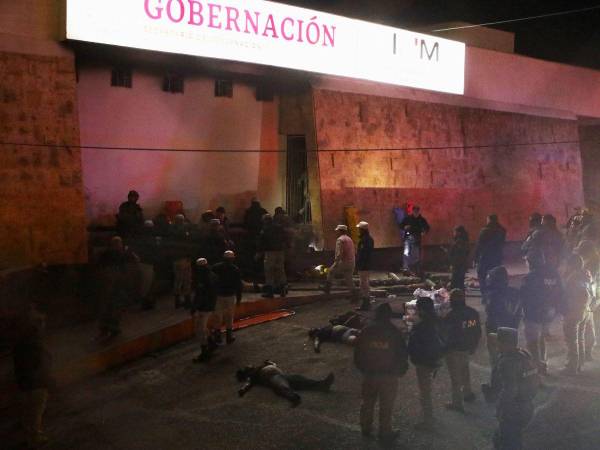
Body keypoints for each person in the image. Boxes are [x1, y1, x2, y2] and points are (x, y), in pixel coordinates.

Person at [354, 303, 409, 443]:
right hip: (389, 376)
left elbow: (358, 353)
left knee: (367, 402)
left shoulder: (366, 331)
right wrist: (401, 370)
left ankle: (365, 427)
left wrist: (363, 368)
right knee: (386, 405)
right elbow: (402, 354)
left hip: (370, 374)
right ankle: (385, 432)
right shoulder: (394, 332)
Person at [481, 328, 539, 450]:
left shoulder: (507, 362)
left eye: (498, 341)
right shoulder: (524, 355)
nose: (496, 343)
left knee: (510, 442)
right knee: (500, 438)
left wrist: (500, 409)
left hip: (513, 411)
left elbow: (510, 391)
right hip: (527, 406)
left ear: (505, 343)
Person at [13, 303, 52, 448]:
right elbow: (40, 364)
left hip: (24, 383)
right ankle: (34, 439)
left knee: (28, 413)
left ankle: (30, 435)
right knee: (35, 413)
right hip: (35, 384)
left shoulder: (20, 341)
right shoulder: (34, 342)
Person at [519, 254, 564, 375]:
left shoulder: (530, 277)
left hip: (533, 314)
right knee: (542, 338)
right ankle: (543, 363)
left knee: (532, 341)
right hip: (549, 313)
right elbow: (560, 291)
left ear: (531, 262)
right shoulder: (553, 273)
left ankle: (536, 366)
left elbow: (524, 297)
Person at [408, 297, 444, 431]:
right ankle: (428, 418)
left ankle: (428, 420)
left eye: (417, 308)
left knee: (425, 392)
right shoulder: (438, 321)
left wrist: (414, 357)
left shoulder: (422, 326)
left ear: (422, 309)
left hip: (424, 362)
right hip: (435, 359)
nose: (416, 311)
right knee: (426, 390)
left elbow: (415, 345)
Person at [443, 289, 481, 412]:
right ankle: (468, 393)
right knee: (465, 371)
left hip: (453, 350)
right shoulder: (472, 313)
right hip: (466, 348)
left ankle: (457, 403)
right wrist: (473, 346)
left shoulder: (451, 315)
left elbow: (447, 334)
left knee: (455, 378)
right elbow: (476, 331)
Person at [96, 236, 140, 340]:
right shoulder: (123, 254)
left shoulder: (105, 253)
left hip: (108, 284)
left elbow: (99, 266)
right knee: (116, 306)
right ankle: (113, 327)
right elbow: (136, 260)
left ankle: (104, 328)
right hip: (118, 284)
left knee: (107, 306)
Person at [237, 361, 334, 406]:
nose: (249, 365)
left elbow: (274, 364)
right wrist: (243, 389)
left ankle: (322, 385)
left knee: (300, 379)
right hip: (273, 377)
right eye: (247, 367)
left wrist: (270, 362)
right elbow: (248, 383)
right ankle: (293, 397)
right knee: (282, 386)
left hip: (282, 375)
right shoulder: (253, 375)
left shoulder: (262, 366)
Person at [560, 254, 592, 375]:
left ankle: (572, 366)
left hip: (574, 312)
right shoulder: (586, 274)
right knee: (580, 337)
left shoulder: (573, 278)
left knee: (572, 340)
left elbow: (568, 295)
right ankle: (580, 362)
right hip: (585, 310)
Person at [485, 266, 522, 366]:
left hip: (497, 332)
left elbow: (492, 314)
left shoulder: (493, 296)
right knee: (510, 358)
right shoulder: (515, 293)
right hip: (512, 330)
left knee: (496, 359)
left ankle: (497, 380)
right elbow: (518, 314)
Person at [190, 258, 219, 363]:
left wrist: (194, 307)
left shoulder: (203, 278)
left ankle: (205, 352)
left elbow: (201, 295)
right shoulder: (212, 275)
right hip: (210, 305)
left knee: (199, 329)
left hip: (204, 307)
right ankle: (212, 342)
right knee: (203, 326)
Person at [212, 250, 243, 345]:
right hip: (230, 295)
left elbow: (212, 282)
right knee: (229, 316)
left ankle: (217, 336)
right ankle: (229, 335)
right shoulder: (235, 269)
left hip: (218, 295)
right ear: (232, 258)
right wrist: (239, 298)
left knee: (218, 315)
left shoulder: (215, 267)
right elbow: (238, 285)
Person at [475, 214, 506, 299]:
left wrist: (475, 257)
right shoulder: (502, 230)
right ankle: (496, 295)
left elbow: (479, 245)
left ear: (489, 220)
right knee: (496, 276)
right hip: (497, 257)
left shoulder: (484, 231)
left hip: (485, 257)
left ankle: (485, 296)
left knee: (482, 276)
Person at [257, 214, 288, 298]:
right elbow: (285, 238)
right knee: (280, 270)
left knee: (269, 271)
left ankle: (270, 291)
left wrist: (259, 252)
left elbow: (262, 241)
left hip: (270, 252)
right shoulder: (279, 228)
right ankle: (282, 289)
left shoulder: (265, 229)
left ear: (265, 221)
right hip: (280, 251)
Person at [324, 225, 356, 299]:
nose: (336, 232)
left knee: (330, 272)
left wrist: (336, 263)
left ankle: (327, 290)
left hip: (343, 262)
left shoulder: (340, 240)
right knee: (349, 279)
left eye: (337, 231)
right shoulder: (349, 239)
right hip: (351, 262)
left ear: (340, 231)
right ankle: (355, 295)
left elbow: (339, 253)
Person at [169, 214, 194, 309]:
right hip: (184, 258)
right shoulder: (183, 231)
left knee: (178, 280)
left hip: (176, 259)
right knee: (186, 279)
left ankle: (177, 300)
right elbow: (188, 245)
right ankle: (187, 300)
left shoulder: (171, 231)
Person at [400, 206, 430, 276]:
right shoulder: (408, 218)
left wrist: (424, 232)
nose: (416, 213)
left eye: (417, 211)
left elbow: (427, 227)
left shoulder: (421, 219)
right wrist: (404, 227)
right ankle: (406, 268)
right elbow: (401, 225)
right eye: (414, 211)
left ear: (419, 211)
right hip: (408, 238)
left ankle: (413, 269)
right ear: (412, 211)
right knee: (406, 253)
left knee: (415, 255)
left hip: (416, 239)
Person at [356, 221, 375, 311]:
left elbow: (363, 254)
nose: (358, 231)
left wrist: (359, 264)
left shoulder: (365, 240)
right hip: (367, 264)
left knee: (364, 284)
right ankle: (366, 303)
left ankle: (366, 304)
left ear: (362, 230)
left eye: (359, 229)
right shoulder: (369, 239)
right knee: (364, 283)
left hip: (364, 265)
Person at [448, 226, 470, 290]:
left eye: (454, 232)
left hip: (458, 263)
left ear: (459, 232)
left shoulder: (459, 241)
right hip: (462, 262)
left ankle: (455, 293)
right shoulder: (464, 240)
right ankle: (459, 293)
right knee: (460, 279)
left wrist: (452, 262)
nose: (453, 233)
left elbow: (456, 252)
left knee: (455, 279)